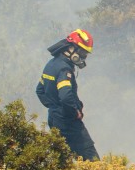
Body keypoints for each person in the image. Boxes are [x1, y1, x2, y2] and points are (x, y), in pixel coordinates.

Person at [36, 29, 100, 161]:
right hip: (68, 122)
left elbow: (40, 90)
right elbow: (65, 97)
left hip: (54, 118)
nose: (83, 57)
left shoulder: (51, 64)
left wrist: (54, 107)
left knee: (63, 159)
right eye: (82, 52)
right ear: (71, 48)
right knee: (91, 159)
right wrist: (73, 112)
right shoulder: (64, 69)